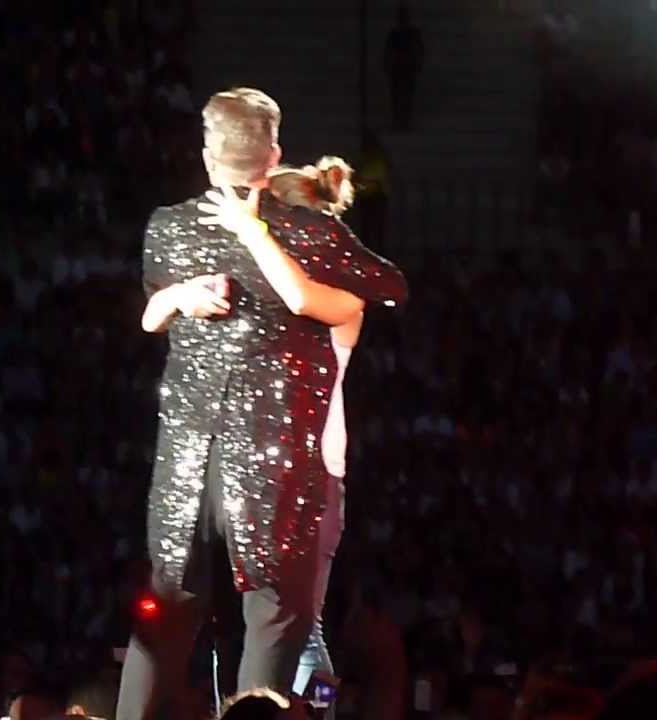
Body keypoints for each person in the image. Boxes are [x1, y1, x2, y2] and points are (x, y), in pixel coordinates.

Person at [119, 87, 407, 720]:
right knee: (280, 634)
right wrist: (196, 284)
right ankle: (316, 711)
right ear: (272, 160)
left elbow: (310, 298)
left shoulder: (322, 285)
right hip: (290, 475)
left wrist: (252, 234)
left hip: (257, 473)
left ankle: (320, 710)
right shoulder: (312, 246)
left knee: (280, 639)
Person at [267, 158, 361, 714]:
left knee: (302, 622)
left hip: (312, 474)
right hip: (270, 469)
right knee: (281, 622)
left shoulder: (339, 294)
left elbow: (298, 299)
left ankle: (323, 710)